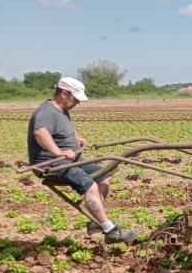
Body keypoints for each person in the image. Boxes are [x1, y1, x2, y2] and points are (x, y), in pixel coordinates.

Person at [27, 77, 138, 243]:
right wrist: (58, 152)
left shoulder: (61, 110)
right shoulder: (46, 111)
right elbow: (40, 133)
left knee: (105, 174)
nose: (78, 103)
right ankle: (110, 231)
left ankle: (95, 221)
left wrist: (77, 138)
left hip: (71, 161)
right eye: (76, 98)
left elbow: (66, 127)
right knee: (90, 185)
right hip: (53, 164)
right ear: (64, 94)